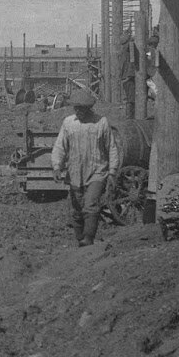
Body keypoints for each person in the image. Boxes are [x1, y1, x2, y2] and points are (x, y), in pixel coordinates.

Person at [52, 87, 121, 246]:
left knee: (90, 204)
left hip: (97, 171)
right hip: (75, 172)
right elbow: (60, 146)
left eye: (82, 108)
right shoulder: (69, 123)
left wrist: (112, 172)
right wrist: (57, 166)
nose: (78, 111)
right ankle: (80, 239)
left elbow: (111, 147)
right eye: (76, 108)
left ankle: (88, 238)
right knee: (77, 210)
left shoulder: (100, 122)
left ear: (89, 108)